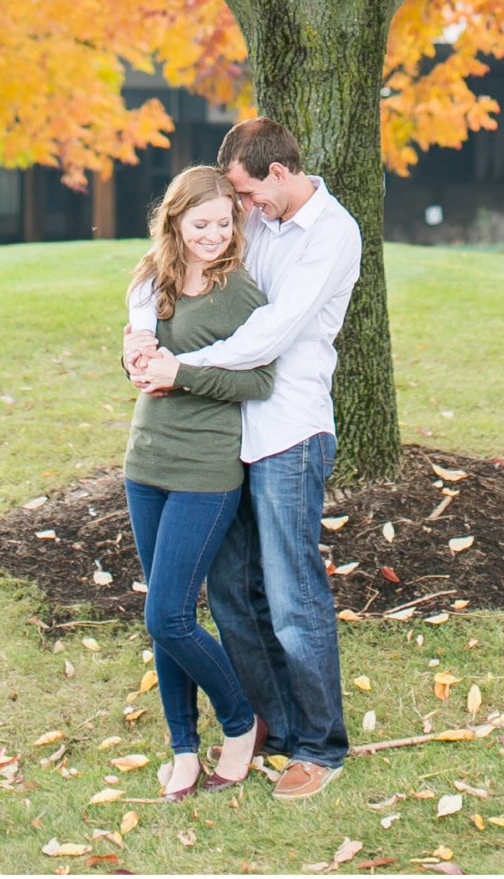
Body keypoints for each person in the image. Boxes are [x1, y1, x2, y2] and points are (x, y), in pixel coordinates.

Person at [124, 118, 361, 801]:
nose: (242, 212)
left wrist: (176, 367)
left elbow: (269, 334)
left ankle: (319, 747)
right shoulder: (256, 218)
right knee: (232, 594)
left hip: (288, 429)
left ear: (278, 175)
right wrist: (138, 341)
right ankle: (273, 726)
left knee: (291, 596)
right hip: (223, 439)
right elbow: (178, 263)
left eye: (250, 196)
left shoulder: (331, 235)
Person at [121, 165, 276, 802]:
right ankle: (183, 749)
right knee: (165, 619)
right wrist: (133, 360)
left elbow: (259, 382)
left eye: (223, 223)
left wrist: (180, 374)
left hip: (206, 470)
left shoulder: (239, 293)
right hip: (145, 461)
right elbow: (138, 348)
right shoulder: (152, 278)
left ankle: (240, 724)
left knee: (169, 615)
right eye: (200, 224)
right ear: (175, 222)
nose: (213, 235)